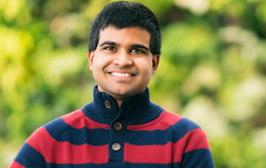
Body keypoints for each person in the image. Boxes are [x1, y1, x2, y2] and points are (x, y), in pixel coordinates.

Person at [10, 1, 214, 168]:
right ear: (91, 59)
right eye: (110, 48)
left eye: (137, 50)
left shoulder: (186, 140)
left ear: (154, 63)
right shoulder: (48, 141)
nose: (123, 60)